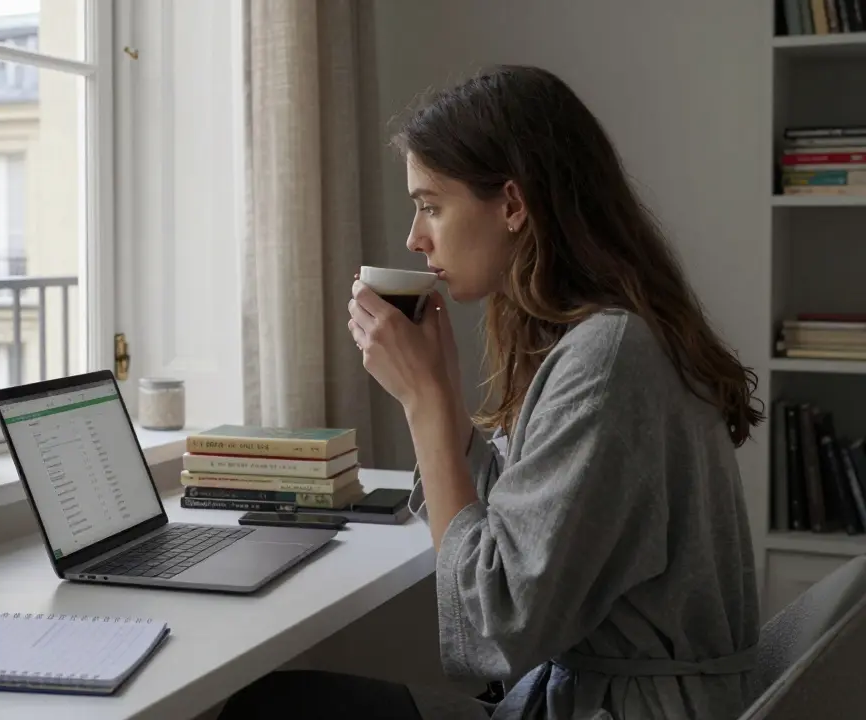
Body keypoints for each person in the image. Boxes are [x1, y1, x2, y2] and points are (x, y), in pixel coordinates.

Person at [218, 65, 762, 719]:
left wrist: (425, 404)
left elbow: (494, 628)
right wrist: (438, 394)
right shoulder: (604, 339)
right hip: (607, 696)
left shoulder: (607, 361)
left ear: (511, 204)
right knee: (287, 699)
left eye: (430, 205)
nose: (415, 238)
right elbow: (522, 524)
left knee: (277, 708)